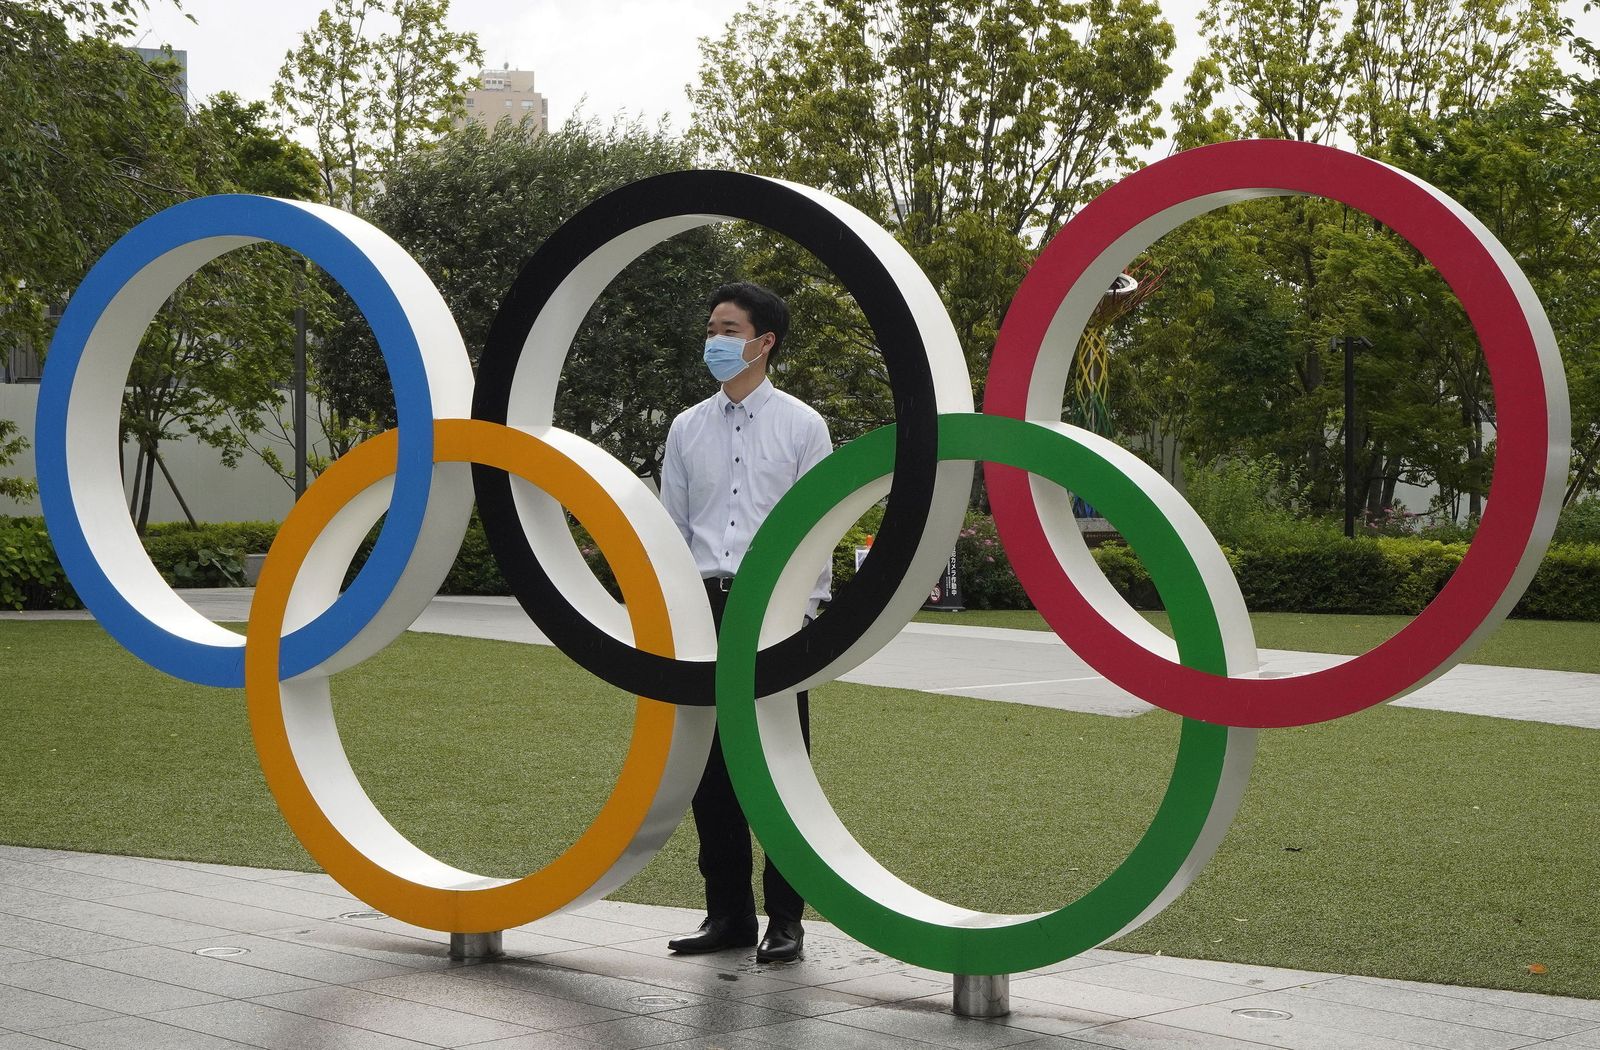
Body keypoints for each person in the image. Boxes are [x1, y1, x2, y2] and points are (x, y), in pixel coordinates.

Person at [659, 282, 832, 963]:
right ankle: (726, 915)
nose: (714, 341)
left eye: (728, 329)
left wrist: (803, 616)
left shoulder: (802, 425)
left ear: (765, 343)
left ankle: (785, 920)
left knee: (781, 766)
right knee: (710, 768)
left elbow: (819, 528)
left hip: (776, 610)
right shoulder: (685, 427)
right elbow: (670, 529)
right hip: (705, 606)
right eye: (710, 327)